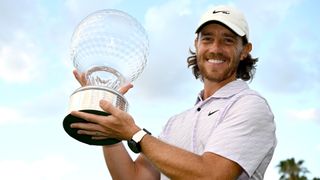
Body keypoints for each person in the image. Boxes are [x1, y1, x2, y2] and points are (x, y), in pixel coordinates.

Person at [70, 5, 276, 180]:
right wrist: (108, 121)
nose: (215, 48)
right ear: (197, 44)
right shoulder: (175, 123)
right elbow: (133, 176)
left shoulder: (250, 105)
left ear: (245, 50)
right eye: (207, 39)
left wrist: (134, 133)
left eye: (228, 40)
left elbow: (212, 174)